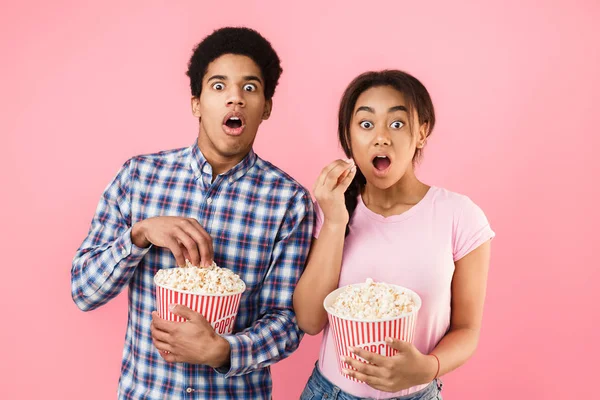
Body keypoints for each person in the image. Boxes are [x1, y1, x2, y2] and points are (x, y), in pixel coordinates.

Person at [71, 27, 314, 399]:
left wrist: (224, 350)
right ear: (196, 102)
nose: (235, 98)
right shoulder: (139, 176)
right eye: (219, 86)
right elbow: (84, 291)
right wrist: (139, 235)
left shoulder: (289, 202)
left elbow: (287, 321)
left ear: (266, 106)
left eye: (250, 88)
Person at [294, 70, 495, 400]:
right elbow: (310, 319)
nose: (381, 137)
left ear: (422, 132)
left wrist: (429, 367)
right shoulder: (330, 211)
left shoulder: (460, 216)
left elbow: (467, 329)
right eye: (366, 124)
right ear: (349, 137)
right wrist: (333, 222)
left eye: (397, 124)